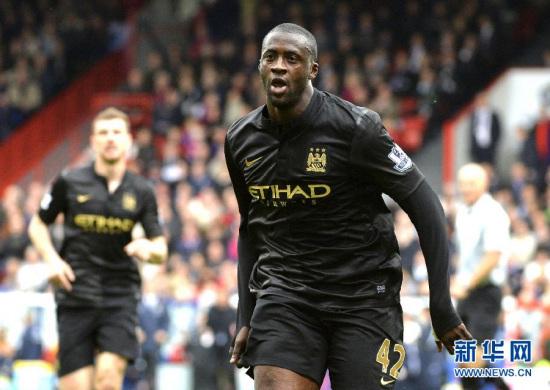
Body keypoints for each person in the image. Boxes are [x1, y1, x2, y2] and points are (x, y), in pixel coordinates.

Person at [224, 23, 471, 390]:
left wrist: (441, 306)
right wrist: (246, 315)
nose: (279, 66)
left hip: (362, 298)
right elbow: (250, 227)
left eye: (291, 58)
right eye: (270, 57)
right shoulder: (240, 139)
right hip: (286, 296)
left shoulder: (356, 129)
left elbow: (426, 206)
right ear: (259, 66)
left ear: (312, 70)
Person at [27, 107, 168, 390]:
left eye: (117, 132)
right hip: (75, 291)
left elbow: (161, 248)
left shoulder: (142, 191)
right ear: (93, 141)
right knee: (77, 386)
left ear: (128, 140)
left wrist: (147, 249)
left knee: (107, 379)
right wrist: (52, 260)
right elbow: (37, 225)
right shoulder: (69, 182)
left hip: (120, 295)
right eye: (103, 133)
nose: (110, 138)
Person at [453, 163, 510, 390]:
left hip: (485, 292)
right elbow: (466, 255)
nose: (466, 188)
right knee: (463, 358)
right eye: (462, 183)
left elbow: (493, 256)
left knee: (474, 359)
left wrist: (466, 282)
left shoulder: (493, 212)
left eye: (471, 183)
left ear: (484, 183)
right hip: (467, 291)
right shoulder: (462, 211)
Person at [468, 92, 501, 167]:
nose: (481, 102)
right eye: (479, 100)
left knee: (489, 168)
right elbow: (471, 132)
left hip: (490, 148)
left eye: (483, 100)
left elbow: (498, 131)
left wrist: (494, 144)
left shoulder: (494, 115)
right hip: (477, 148)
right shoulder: (473, 115)